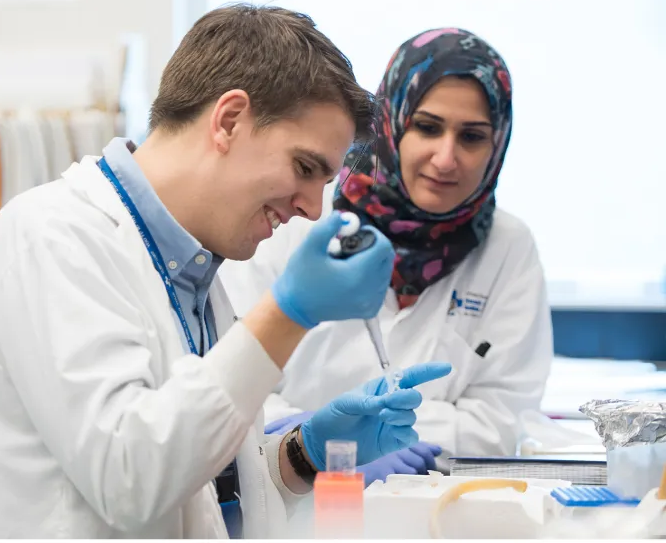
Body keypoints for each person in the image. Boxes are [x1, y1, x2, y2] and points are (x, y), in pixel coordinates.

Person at [0, 5, 452, 539]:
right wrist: (287, 314)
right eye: (304, 168)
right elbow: (130, 481)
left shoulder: (192, 268)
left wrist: (306, 452)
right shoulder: (50, 237)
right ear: (228, 121)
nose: (313, 208)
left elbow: (198, 486)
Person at [219, 27, 554, 485]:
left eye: (472, 137)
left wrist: (389, 437)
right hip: (291, 493)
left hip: (436, 499)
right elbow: (235, 386)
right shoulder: (301, 216)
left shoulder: (509, 248)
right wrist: (320, 437)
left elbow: (502, 419)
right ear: (392, 122)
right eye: (428, 127)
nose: (446, 158)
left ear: (497, 146)